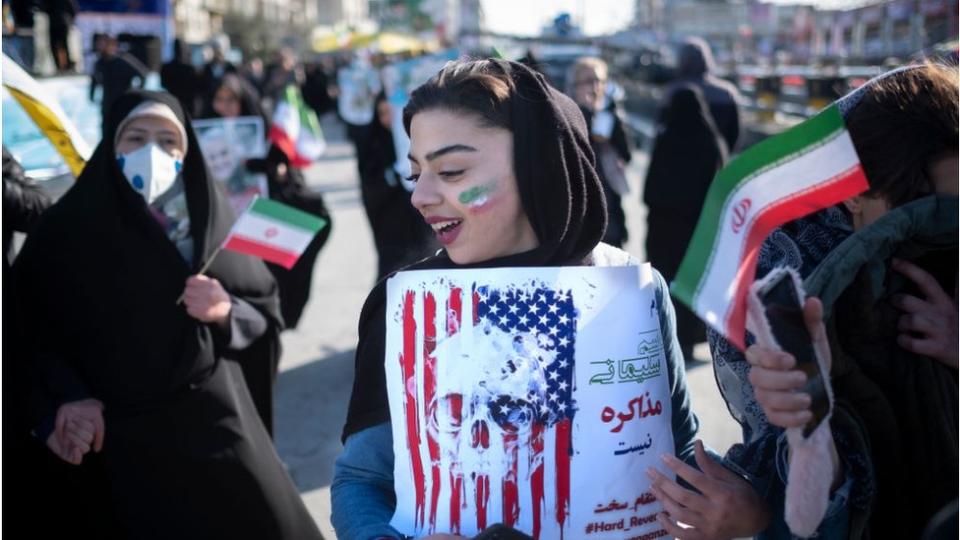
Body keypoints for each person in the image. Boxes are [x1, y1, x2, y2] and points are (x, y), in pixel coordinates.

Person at [330, 58, 764, 540]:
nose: (421, 196)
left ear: (541, 168)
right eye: (416, 175)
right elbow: (361, 480)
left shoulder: (631, 289)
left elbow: (675, 456)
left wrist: (745, 508)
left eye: (450, 171)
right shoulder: (407, 311)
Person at [11, 90, 324, 539]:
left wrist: (224, 310)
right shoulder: (64, 230)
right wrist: (65, 398)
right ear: (110, 146)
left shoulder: (214, 222)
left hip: (212, 417)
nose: (152, 153)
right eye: (135, 139)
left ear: (186, 151)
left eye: (168, 141)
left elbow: (264, 312)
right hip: (111, 440)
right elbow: (27, 331)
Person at [674, 63, 958, 539]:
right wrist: (771, 495)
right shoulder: (789, 296)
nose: (941, 233)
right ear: (856, 196)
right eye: (920, 209)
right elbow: (797, 493)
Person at [202, 73, 332, 329]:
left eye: (232, 100)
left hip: (261, 222)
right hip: (224, 224)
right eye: (220, 99)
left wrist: (272, 169)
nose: (225, 106)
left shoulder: (265, 133)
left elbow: (290, 178)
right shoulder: (204, 134)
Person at [643, 85, 728, 362]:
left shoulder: (666, 138)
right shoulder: (710, 140)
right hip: (697, 229)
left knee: (665, 282)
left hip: (664, 228)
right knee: (693, 284)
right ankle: (690, 342)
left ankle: (665, 339)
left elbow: (649, 188)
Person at [358, 91, 436, 280]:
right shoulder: (374, 143)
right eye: (382, 113)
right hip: (393, 226)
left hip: (422, 225)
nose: (388, 118)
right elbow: (370, 184)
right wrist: (392, 176)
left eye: (392, 111)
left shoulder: (423, 140)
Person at [567, 56, 632, 248]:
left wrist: (614, 118)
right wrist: (586, 115)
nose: (596, 87)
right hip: (582, 210)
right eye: (589, 81)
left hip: (610, 205)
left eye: (600, 81)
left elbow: (626, 154)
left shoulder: (609, 115)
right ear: (575, 86)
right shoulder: (567, 116)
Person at [662, 37, 741, 153]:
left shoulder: (673, 92)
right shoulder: (727, 92)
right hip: (717, 161)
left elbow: (662, 131)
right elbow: (734, 133)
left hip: (679, 162)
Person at [90, 35, 149, 130]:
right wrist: (92, 95)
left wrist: (135, 92)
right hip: (107, 105)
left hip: (123, 103)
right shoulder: (99, 63)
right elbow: (94, 80)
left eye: (104, 44)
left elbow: (143, 75)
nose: (101, 47)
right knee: (106, 130)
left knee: (122, 129)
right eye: (99, 44)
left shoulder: (123, 61)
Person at [160, 38, 202, 118]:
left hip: (174, 103)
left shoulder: (166, 67)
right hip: (188, 106)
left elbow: (163, 84)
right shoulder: (191, 68)